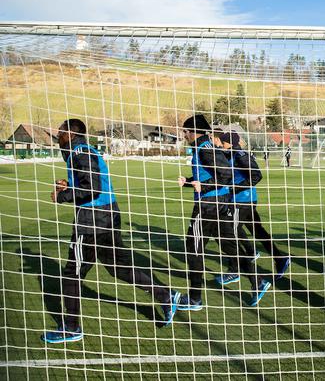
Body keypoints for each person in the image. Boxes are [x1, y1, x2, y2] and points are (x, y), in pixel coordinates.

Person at [41, 119, 180, 344]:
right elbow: (91, 182)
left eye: (60, 133)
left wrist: (62, 196)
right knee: (119, 267)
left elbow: (92, 188)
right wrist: (70, 184)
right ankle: (166, 295)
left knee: (71, 273)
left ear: (70, 134)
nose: (58, 138)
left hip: (92, 219)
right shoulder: (85, 150)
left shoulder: (79, 152)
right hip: (109, 214)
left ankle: (71, 327)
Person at [177, 115, 271, 310]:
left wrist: (203, 185)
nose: (183, 134)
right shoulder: (204, 148)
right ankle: (258, 281)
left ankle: (194, 299)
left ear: (193, 132)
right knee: (230, 247)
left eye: (185, 131)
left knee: (193, 249)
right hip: (219, 204)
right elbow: (210, 175)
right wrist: (188, 181)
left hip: (208, 207)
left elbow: (226, 174)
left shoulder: (204, 149)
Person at [213, 131, 291, 284]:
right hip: (243, 200)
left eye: (222, 141)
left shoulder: (240, 155)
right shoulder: (230, 154)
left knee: (229, 233)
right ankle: (280, 258)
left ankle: (234, 270)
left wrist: (233, 189)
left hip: (242, 201)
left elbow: (256, 176)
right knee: (258, 231)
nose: (220, 143)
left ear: (228, 142)